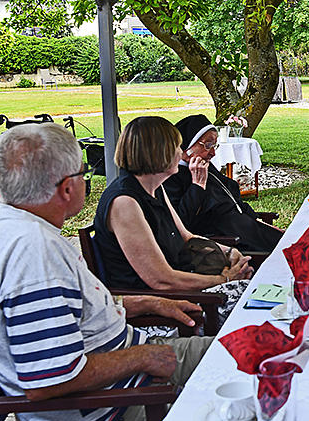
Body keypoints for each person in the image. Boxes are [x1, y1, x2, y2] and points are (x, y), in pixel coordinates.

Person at [0, 122, 211, 421]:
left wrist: (145, 303)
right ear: (67, 188)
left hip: (129, 380)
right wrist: (142, 358)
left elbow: (69, 314)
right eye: (83, 173)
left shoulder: (15, 231)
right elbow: (49, 378)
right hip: (112, 418)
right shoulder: (34, 254)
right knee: (250, 398)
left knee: (247, 349)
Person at [93, 116, 253, 308]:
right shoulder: (124, 202)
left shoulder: (154, 187)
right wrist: (224, 280)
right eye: (177, 147)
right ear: (159, 153)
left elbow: (186, 236)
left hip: (181, 287)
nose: (181, 152)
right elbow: (161, 280)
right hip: (158, 305)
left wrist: (229, 252)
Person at [163, 114, 283, 253]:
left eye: (215, 145)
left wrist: (258, 221)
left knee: (299, 242)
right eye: (208, 145)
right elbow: (182, 222)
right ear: (187, 147)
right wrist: (197, 186)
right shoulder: (171, 177)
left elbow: (232, 199)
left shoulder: (205, 166)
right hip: (230, 241)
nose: (213, 153)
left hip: (246, 227)